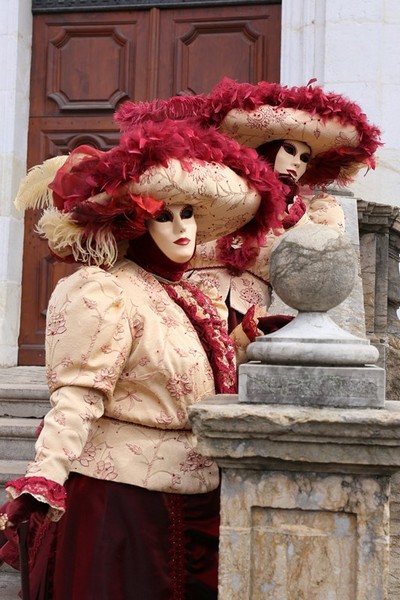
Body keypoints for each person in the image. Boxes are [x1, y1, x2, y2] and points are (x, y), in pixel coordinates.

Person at [0, 117, 286, 599]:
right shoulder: (103, 290)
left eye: (188, 213)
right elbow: (77, 395)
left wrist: (243, 339)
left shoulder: (189, 294)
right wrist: (46, 474)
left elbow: (179, 371)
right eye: (163, 216)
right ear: (135, 222)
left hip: (199, 497)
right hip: (123, 507)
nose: (180, 228)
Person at [114, 78, 381, 348]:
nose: (296, 164)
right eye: (289, 150)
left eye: (304, 158)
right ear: (267, 147)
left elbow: (319, 261)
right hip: (185, 312)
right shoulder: (216, 190)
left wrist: (291, 212)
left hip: (255, 325)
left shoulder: (314, 213)